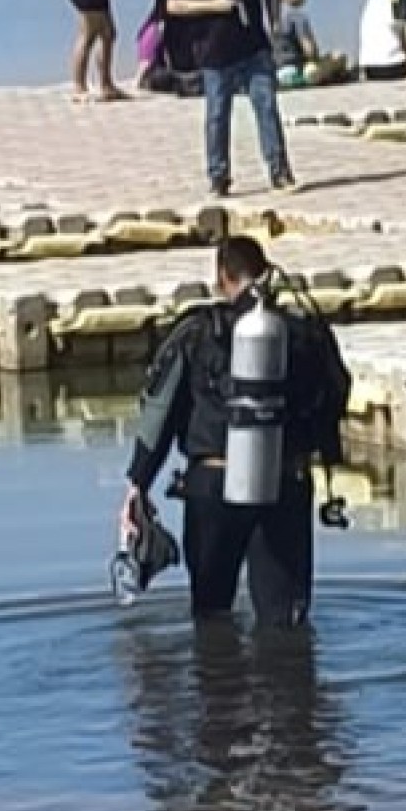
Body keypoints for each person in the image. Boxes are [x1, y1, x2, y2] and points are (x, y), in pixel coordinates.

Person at [120, 236, 354, 629]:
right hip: (286, 480)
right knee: (285, 622)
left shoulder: (197, 331)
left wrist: (138, 483)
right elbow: (335, 394)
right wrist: (327, 458)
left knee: (211, 614)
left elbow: (160, 409)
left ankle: (216, 686)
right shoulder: (304, 331)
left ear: (222, 279)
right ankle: (293, 687)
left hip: (213, 484)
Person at [166, 0, 296, 197]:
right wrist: (212, 5)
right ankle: (218, 177)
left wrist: (280, 11)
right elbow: (173, 5)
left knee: (267, 107)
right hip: (215, 51)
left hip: (253, 46)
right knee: (217, 115)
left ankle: (279, 171)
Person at [271, 0, 350, 88]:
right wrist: (316, 57)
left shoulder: (271, 20)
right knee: (339, 55)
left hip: (276, 74)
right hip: (296, 72)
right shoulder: (297, 16)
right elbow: (309, 50)